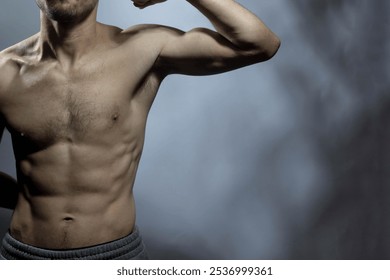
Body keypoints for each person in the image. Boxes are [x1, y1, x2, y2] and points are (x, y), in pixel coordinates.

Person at [0, 0, 280, 259]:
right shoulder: (4, 72)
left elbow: (258, 44)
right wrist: (35, 203)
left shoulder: (143, 48)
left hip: (115, 256)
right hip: (22, 257)